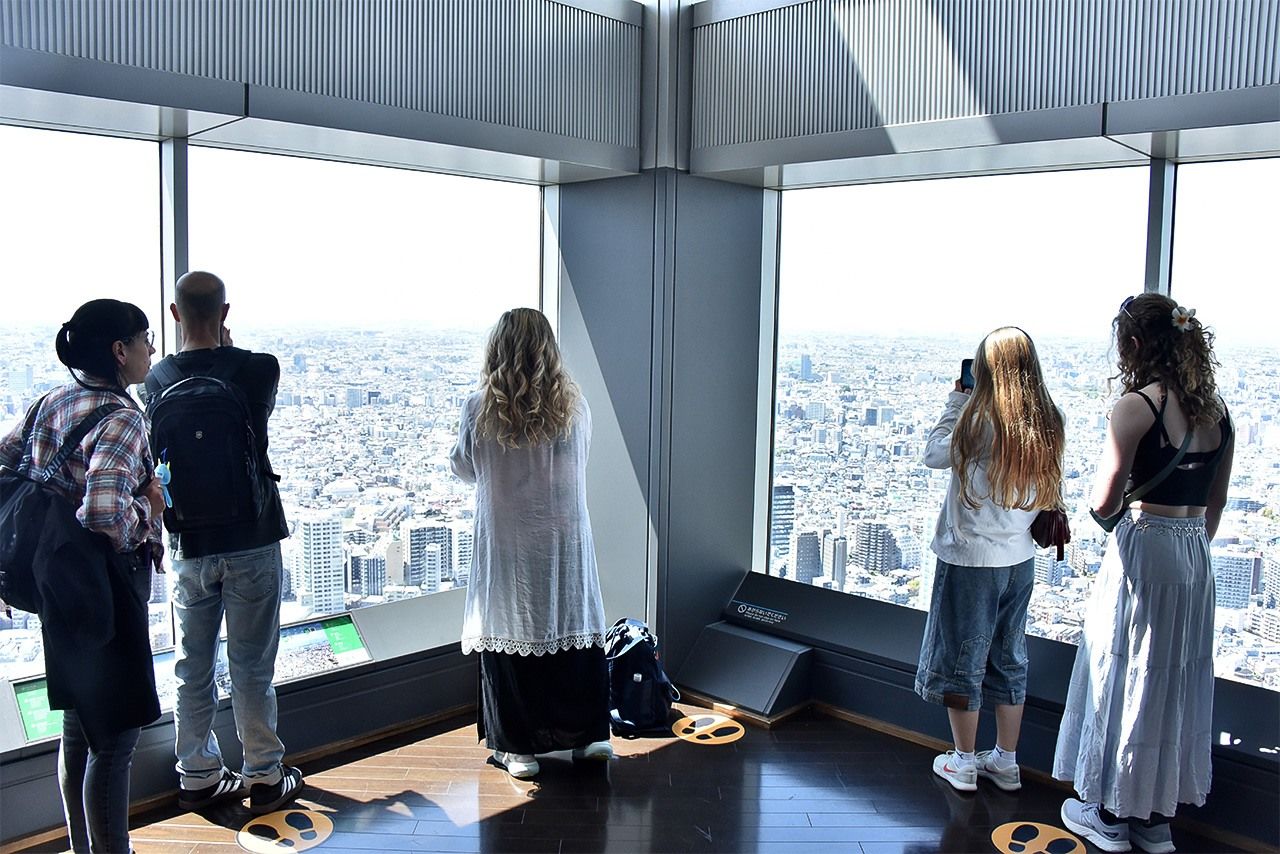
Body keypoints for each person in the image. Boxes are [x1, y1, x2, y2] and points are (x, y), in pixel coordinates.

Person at [1054, 294, 1233, 854]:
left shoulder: (1136, 407)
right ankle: (1155, 819)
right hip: (1193, 554)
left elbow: (1106, 505)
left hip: (1145, 547)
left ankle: (1108, 815)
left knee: (1125, 675)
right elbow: (1217, 502)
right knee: (1172, 678)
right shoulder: (1217, 411)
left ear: (1134, 345)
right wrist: (1189, 550)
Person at [0, 299, 163, 854]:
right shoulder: (122, 417)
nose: (151, 349)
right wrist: (150, 508)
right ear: (120, 351)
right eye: (144, 338)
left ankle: (83, 847)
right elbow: (102, 514)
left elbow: (8, 461)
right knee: (115, 740)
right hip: (104, 592)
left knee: (78, 728)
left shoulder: (50, 401)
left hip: (54, 584)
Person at [144, 271, 300, 814]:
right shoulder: (259, 369)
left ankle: (197, 772)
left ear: (173, 314)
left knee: (193, 662)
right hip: (252, 537)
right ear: (226, 311)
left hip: (188, 542)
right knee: (251, 663)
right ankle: (263, 772)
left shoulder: (156, 379)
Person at [450, 307, 612, 779]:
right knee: (570, 623)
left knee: (512, 629)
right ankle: (588, 738)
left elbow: (465, 466)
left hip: (508, 542)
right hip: (565, 538)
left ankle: (517, 748)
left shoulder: (479, 406)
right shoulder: (574, 405)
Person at [916, 327, 1066, 794]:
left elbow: (933, 454)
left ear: (984, 371)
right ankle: (1005, 759)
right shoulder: (1050, 420)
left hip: (970, 559)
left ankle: (962, 761)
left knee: (963, 657)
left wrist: (954, 403)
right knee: (1009, 656)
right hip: (1019, 559)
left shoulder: (978, 419)